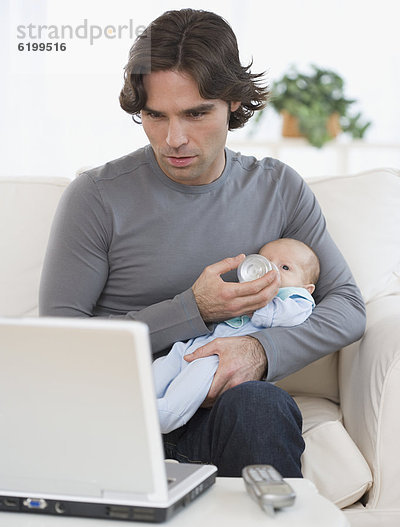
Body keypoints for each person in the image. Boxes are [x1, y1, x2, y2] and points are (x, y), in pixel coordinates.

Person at [39, 8, 366, 478]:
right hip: (118, 412)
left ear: (233, 103)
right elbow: (60, 340)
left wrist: (259, 349)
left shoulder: (279, 189)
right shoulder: (96, 196)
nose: (174, 139)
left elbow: (348, 305)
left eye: (196, 114)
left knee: (260, 404)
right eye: (155, 115)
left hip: (225, 414)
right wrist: (195, 308)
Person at [154, 238, 320, 434]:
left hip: (222, 358)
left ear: (306, 288)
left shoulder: (297, 299)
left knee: (198, 374)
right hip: (198, 343)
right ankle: (138, 399)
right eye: (265, 261)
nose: (271, 270)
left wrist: (252, 307)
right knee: (165, 363)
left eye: (285, 267)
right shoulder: (246, 290)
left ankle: (167, 414)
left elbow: (289, 315)